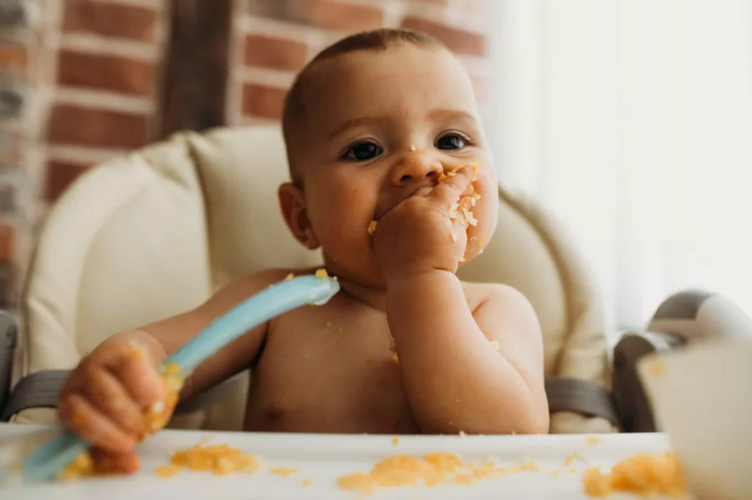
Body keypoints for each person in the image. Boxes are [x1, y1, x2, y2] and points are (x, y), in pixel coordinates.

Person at [59, 28, 549, 473]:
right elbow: (167, 354)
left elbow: (509, 440)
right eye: (365, 149)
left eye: (452, 139)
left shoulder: (495, 309)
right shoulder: (278, 302)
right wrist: (120, 372)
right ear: (303, 217)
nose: (420, 165)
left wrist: (421, 278)